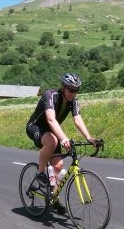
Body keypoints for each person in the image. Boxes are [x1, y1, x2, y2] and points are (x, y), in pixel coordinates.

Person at [26, 73, 96, 213]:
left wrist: (89, 138)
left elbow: (77, 119)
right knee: (53, 140)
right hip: (36, 127)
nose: (73, 93)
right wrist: (64, 138)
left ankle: (52, 197)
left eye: (76, 91)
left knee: (58, 165)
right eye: (70, 90)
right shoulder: (50, 95)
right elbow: (51, 120)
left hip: (53, 131)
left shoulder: (73, 101)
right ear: (63, 87)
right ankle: (40, 173)